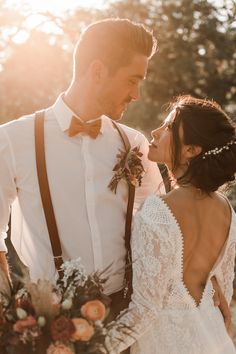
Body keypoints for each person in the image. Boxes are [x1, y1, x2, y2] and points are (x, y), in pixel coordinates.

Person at [0, 18, 164, 317]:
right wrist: (8, 315)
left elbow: (166, 223)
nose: (137, 94)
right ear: (98, 71)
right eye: (132, 80)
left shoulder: (134, 144)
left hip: (125, 318)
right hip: (48, 323)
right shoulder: (12, 140)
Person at [106, 95, 236, 354]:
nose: (155, 132)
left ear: (191, 150)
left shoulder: (157, 211)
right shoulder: (227, 211)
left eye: (168, 128)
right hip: (213, 340)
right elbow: (224, 295)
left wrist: (94, 347)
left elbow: (144, 310)